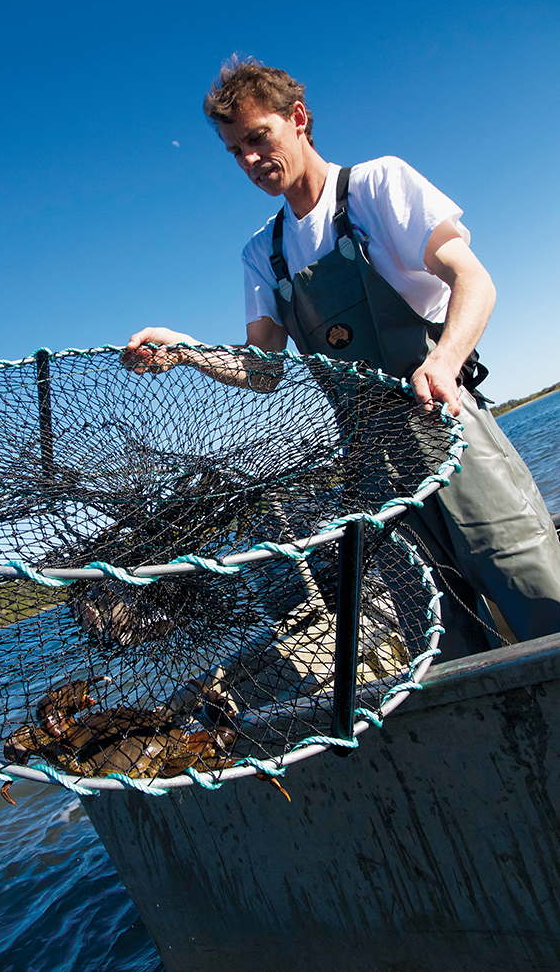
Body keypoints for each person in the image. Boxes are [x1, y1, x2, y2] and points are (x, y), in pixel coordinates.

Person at [124, 58, 560, 656]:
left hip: (450, 430)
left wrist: (445, 360)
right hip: (373, 468)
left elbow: (473, 279)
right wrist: (185, 349)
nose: (251, 160)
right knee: (442, 637)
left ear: (297, 119)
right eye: (236, 151)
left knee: (532, 590)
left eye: (259, 138)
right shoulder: (263, 252)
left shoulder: (378, 186)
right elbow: (261, 370)